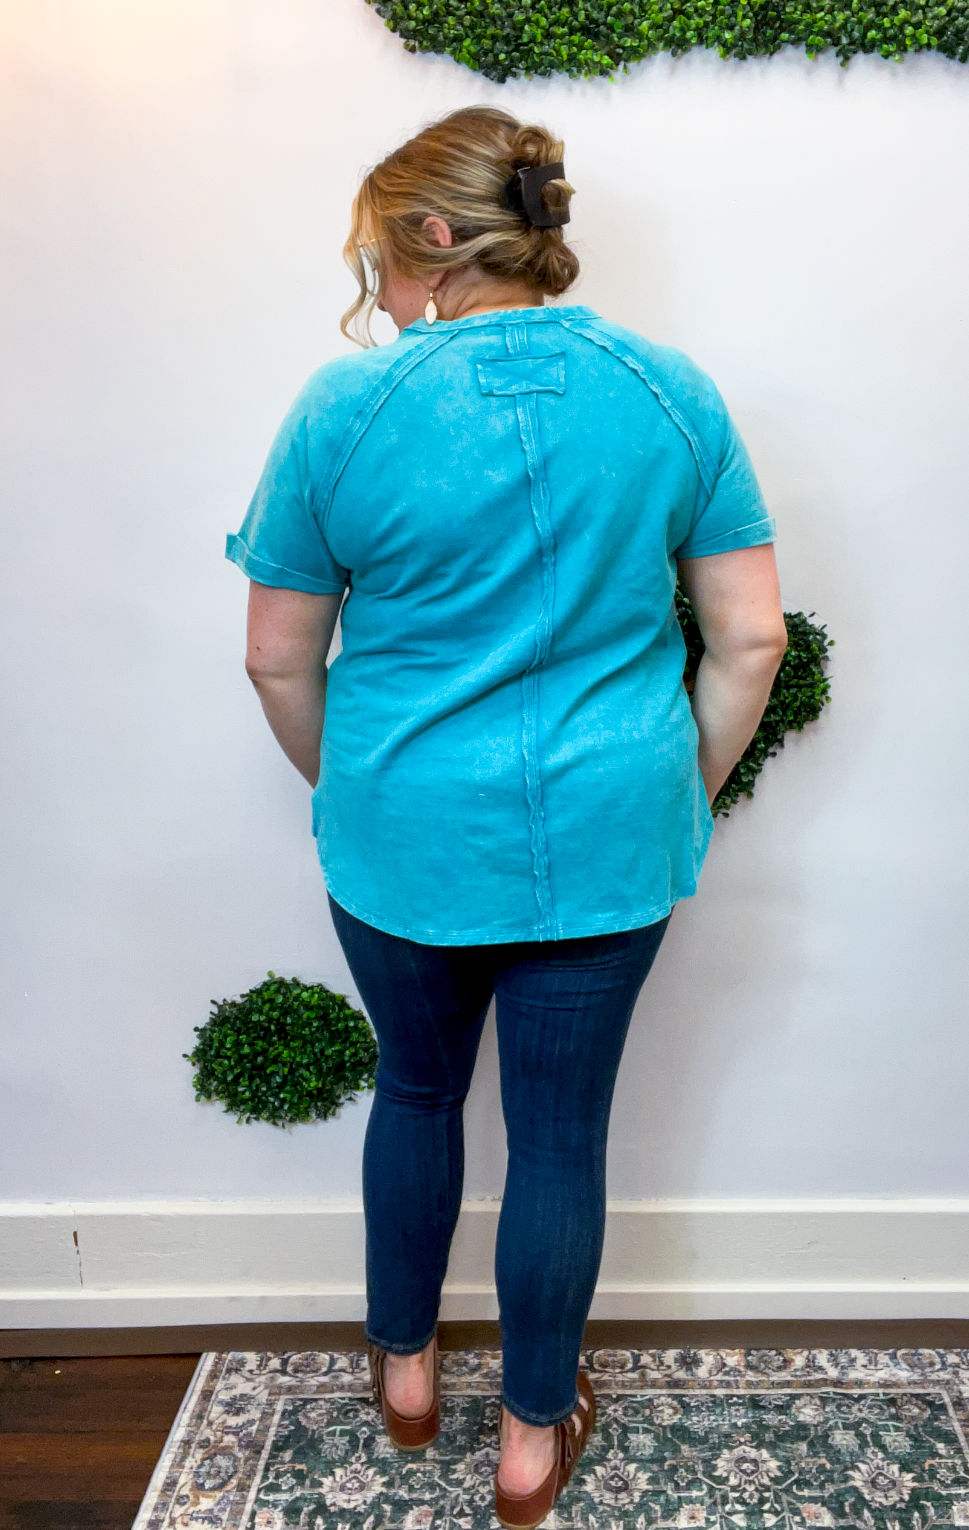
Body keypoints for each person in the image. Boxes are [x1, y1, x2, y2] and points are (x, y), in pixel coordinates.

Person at [226, 105, 787, 1529]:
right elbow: (750, 638)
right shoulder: (668, 391)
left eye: (375, 254)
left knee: (415, 1091)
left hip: (404, 832)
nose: (372, 287)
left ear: (434, 237)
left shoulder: (346, 409)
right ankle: (532, 1440)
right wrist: (673, 795)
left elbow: (278, 657)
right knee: (560, 1137)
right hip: (608, 829)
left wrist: (357, 792)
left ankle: (408, 1374)